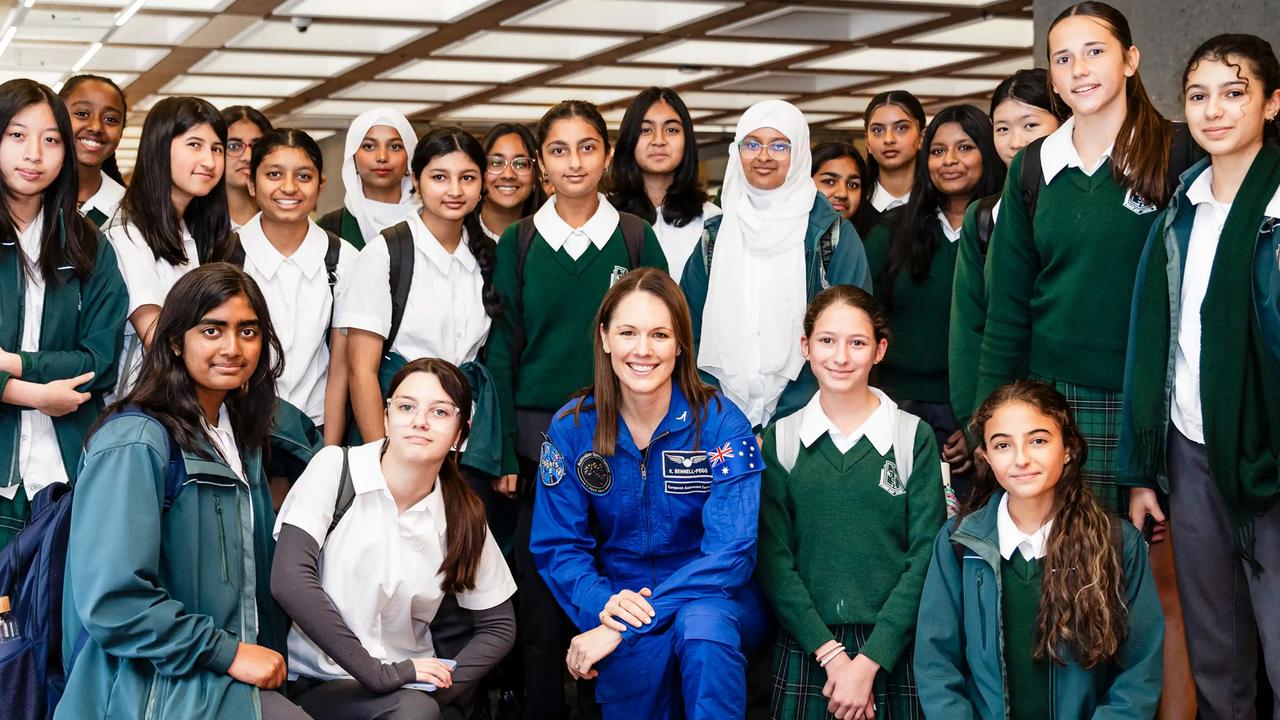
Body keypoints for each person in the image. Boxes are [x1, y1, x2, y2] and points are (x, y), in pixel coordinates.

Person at [59, 263, 309, 720]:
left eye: (248, 331)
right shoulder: (134, 441)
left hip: (229, 679)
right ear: (176, 341)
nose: (232, 348)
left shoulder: (242, 438)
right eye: (211, 330)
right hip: (148, 691)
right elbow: (113, 600)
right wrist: (228, 653)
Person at [485, 99, 666, 720]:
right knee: (540, 600)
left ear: (608, 155)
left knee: (612, 592)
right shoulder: (521, 239)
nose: (574, 162)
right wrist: (507, 446)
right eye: (558, 150)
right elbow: (503, 351)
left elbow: (668, 336)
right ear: (540, 164)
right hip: (540, 446)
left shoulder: (636, 236)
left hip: (623, 437)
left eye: (587, 147)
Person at [1120, 33, 1280, 718]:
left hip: (1267, 448)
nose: (1213, 111)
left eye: (1234, 92)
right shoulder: (1179, 211)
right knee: (1216, 646)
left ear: (1273, 104)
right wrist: (1143, 467)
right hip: (1190, 446)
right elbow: (1151, 346)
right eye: (1197, 96)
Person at [531, 268, 765, 719]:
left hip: (712, 594)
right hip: (617, 593)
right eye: (628, 332)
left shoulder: (721, 424)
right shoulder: (572, 428)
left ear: (680, 345)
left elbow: (731, 554)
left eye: (659, 334)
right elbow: (559, 546)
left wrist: (628, 623)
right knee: (633, 665)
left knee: (704, 631)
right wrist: (605, 607)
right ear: (604, 338)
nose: (643, 350)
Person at [977, 1, 1178, 516]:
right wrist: (992, 417)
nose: (1079, 70)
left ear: (1130, 60)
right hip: (1049, 396)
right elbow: (1007, 308)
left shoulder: (1178, 154)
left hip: (1151, 395)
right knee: (1050, 563)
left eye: (1094, 52)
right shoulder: (1032, 166)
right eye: (1063, 59)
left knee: (1125, 566)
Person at [272, 357, 517, 720]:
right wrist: (382, 673)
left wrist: (441, 688)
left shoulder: (462, 513)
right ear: (386, 417)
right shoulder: (335, 468)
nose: (419, 421)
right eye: (406, 407)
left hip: (406, 692)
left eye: (439, 412)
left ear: (461, 434)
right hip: (318, 681)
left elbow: (500, 626)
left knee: (417, 711)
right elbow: (289, 580)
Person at [914, 380, 1164, 719]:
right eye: (1003, 445)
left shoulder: (1118, 544)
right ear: (984, 456)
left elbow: (1139, 673)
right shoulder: (959, 543)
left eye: (1038, 441)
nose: (1021, 459)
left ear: (1068, 448)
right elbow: (937, 663)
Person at [758, 285, 945, 719]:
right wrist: (833, 656)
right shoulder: (782, 440)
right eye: (827, 341)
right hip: (810, 646)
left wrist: (869, 661)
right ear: (805, 347)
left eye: (857, 343)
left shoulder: (911, 437)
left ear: (879, 350)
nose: (841, 357)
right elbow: (773, 559)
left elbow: (925, 557)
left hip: (892, 647)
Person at [681, 99, 871, 430]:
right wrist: (719, 417)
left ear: (798, 154)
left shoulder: (832, 235)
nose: (764, 156)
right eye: (751, 144)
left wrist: (787, 421)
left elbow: (852, 335)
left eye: (779, 145)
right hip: (718, 423)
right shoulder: (715, 236)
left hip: (811, 420)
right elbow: (686, 330)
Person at [0, 78, 128, 549]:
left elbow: (98, 359)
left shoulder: (89, 244)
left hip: (64, 474)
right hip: (3, 478)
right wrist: (34, 394)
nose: (33, 154)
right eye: (16, 135)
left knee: (54, 617)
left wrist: (15, 364)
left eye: (50, 139)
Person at [339, 127, 502, 474]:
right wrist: (378, 458)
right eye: (440, 177)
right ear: (416, 179)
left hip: (468, 440)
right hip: (402, 436)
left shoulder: (488, 254)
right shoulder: (386, 253)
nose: (455, 190)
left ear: (482, 182)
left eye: (468, 177)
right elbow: (362, 370)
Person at [865, 105, 1004, 498]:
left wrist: (976, 422)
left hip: (977, 409)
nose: (950, 161)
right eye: (938, 151)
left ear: (987, 153)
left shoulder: (1009, 227)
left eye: (965, 148)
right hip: (894, 404)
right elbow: (861, 317)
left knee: (967, 531)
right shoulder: (892, 232)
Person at [234, 128, 357, 508]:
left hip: (315, 430)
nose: (289, 187)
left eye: (303, 176)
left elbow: (341, 365)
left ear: (320, 185)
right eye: (274, 174)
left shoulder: (344, 259)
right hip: (241, 429)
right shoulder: (226, 255)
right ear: (251, 183)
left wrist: (330, 454)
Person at [949, 69, 1066, 433]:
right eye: (1002, 129)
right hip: (1005, 401)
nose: (1015, 142)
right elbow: (969, 324)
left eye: (1030, 125)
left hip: (1069, 391)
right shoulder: (983, 217)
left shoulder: (1084, 209)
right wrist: (974, 418)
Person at [105, 96, 231, 400]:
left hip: (183, 401)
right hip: (144, 408)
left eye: (216, 148)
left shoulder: (188, 229)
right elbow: (154, 332)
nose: (210, 161)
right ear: (160, 149)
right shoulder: (127, 231)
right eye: (194, 145)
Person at [607, 87, 721, 282]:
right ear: (628, 139)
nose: (658, 141)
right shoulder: (606, 216)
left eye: (671, 130)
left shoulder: (711, 222)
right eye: (645, 130)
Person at [317, 107, 418, 250]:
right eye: (369, 146)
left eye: (395, 147)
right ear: (353, 157)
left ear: (410, 155)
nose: (382, 157)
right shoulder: (326, 229)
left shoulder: (433, 223)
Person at [57, 74, 127, 227]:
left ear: (121, 131)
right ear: (56, 117)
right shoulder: (28, 196)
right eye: (82, 114)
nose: (96, 127)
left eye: (110, 119)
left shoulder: (131, 210)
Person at [476, 122, 544, 242]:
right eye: (496, 163)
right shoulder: (456, 235)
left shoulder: (550, 237)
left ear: (535, 174)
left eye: (520, 164)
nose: (508, 175)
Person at [863, 91, 926, 213]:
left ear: (921, 138)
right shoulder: (855, 205)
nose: (889, 139)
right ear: (867, 142)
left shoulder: (940, 205)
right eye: (877, 130)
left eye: (901, 128)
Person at [810, 140, 878, 238]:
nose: (843, 194)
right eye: (829, 181)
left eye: (852, 185)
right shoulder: (787, 238)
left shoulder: (873, 240)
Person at [222, 105, 273, 231]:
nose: (248, 157)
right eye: (234, 146)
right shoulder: (191, 227)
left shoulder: (283, 222)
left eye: (257, 146)